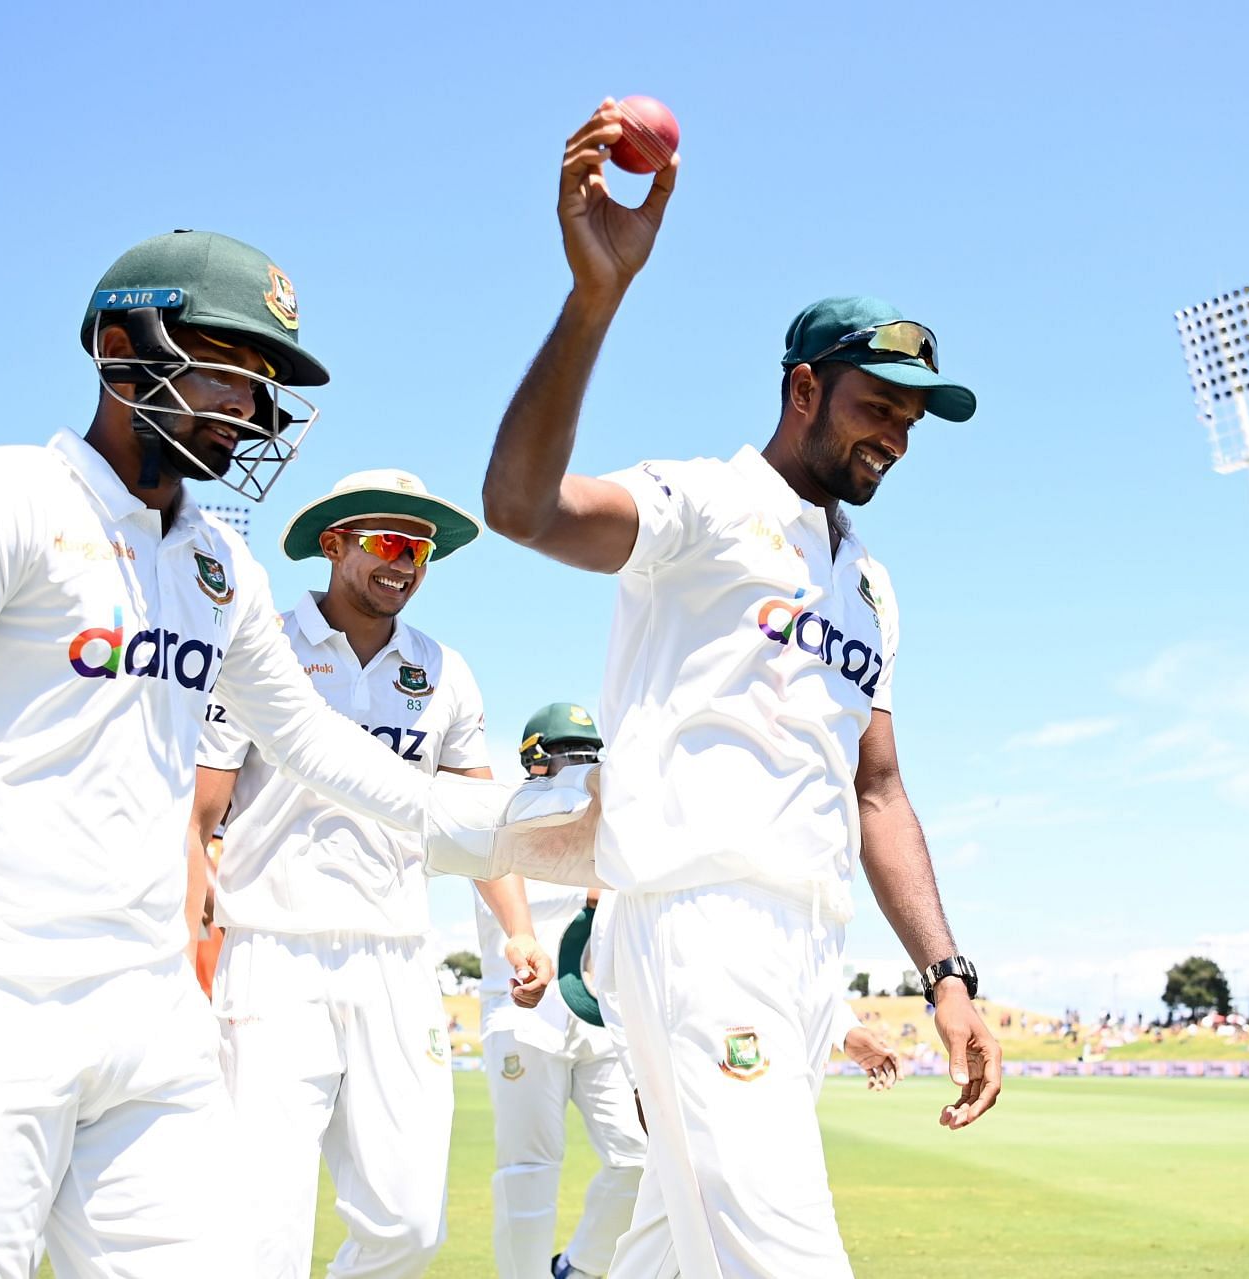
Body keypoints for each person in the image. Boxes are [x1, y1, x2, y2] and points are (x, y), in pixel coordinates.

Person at [0, 231, 472, 1277]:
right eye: (231, 366)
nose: (250, 405)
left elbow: (310, 741)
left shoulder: (217, 559)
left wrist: (502, 826)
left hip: (147, 1013)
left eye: (265, 380)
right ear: (120, 345)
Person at [476, 101, 1005, 1277]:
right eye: (880, 407)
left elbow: (879, 793)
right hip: (696, 918)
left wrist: (947, 975)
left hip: (808, 945)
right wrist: (593, 300)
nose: (897, 441)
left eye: (913, 421)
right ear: (805, 388)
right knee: (787, 1257)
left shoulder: (868, 585)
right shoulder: (706, 506)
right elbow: (522, 506)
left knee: (671, 1249)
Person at [196, 469, 552, 1279]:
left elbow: (474, 823)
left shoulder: (444, 671)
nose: (405, 564)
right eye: (388, 542)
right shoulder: (261, 646)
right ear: (333, 545)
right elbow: (199, 814)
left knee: (410, 1222)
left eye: (419, 549)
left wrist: (519, 929)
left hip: (396, 954)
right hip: (271, 951)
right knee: (257, 1232)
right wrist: (184, 942)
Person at [473, 703, 644, 1279]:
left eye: (592, 756)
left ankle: (576, 1267)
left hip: (596, 1014)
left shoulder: (616, 835)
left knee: (638, 1158)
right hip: (524, 1012)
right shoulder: (503, 822)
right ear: (535, 762)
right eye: (572, 756)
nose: (584, 767)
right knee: (528, 1169)